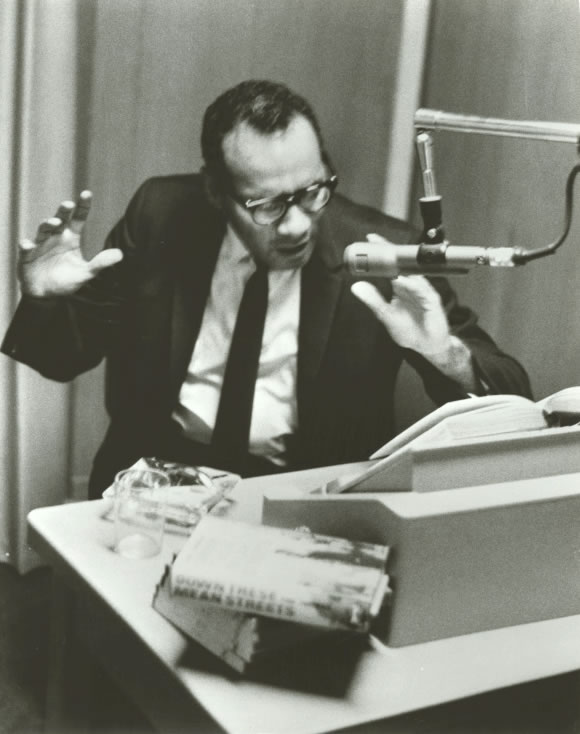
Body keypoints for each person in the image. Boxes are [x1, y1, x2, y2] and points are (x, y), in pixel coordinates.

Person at [1, 80, 532, 498]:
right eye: (268, 206)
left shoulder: (382, 249)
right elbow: (64, 358)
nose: (298, 224)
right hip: (155, 479)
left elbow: (514, 395)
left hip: (307, 495)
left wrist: (447, 353)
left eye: (313, 192)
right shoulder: (160, 212)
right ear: (216, 191)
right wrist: (45, 299)